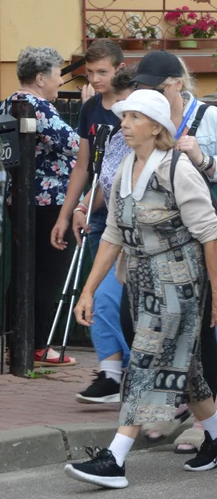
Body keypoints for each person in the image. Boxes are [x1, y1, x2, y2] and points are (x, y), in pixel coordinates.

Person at [66, 90, 217, 489]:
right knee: (185, 364)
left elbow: (209, 236)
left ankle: (115, 458)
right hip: (142, 281)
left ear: (157, 126)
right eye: (124, 118)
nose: (124, 124)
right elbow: (112, 235)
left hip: (180, 282)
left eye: (134, 118)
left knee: (145, 359)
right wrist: (89, 290)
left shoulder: (177, 168)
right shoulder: (126, 165)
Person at [124, 52, 217, 451]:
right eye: (142, 87)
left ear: (178, 82)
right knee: (145, 329)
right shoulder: (136, 121)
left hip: (197, 241)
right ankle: (198, 416)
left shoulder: (209, 118)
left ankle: (198, 423)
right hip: (148, 247)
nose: (147, 94)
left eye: (156, 87)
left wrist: (202, 159)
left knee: (200, 334)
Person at [0, 47, 82, 366]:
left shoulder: (9, 102)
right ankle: (37, 344)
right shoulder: (38, 106)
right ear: (39, 77)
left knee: (23, 271)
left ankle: (14, 339)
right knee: (49, 273)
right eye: (56, 73)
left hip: (20, 199)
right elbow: (76, 146)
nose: (60, 80)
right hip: (51, 202)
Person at [70, 70, 134, 404]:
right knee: (102, 299)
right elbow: (104, 186)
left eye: (129, 112)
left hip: (154, 246)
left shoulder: (167, 154)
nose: (122, 118)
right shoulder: (115, 141)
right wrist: (80, 206)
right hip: (116, 233)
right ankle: (112, 375)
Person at [52, 40, 125, 260]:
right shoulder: (90, 107)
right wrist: (64, 215)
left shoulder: (132, 105)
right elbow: (82, 166)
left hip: (125, 209)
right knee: (100, 282)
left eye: (102, 72)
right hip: (96, 209)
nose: (94, 79)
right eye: (90, 73)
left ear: (119, 69)